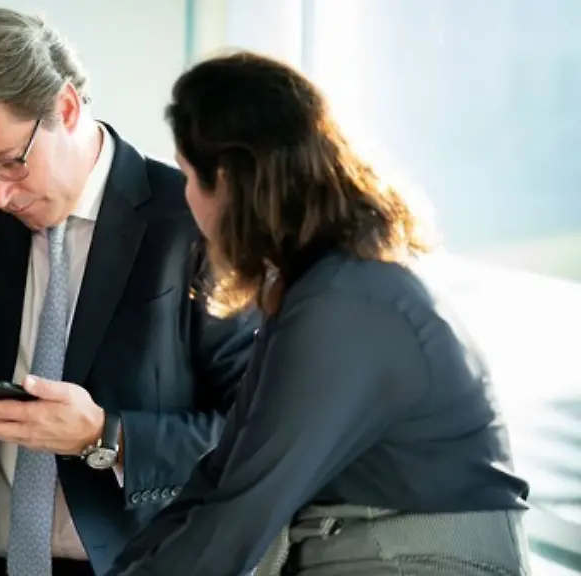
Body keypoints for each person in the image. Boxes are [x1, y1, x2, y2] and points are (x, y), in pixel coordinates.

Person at [0, 8, 259, 576]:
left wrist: (107, 436)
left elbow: (253, 432)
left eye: (10, 164)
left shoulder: (193, 221)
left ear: (66, 108)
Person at [106, 51, 532, 575]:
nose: (186, 196)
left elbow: (245, 508)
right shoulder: (319, 290)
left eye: (188, 175)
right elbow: (219, 478)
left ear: (230, 181)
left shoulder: (346, 305)